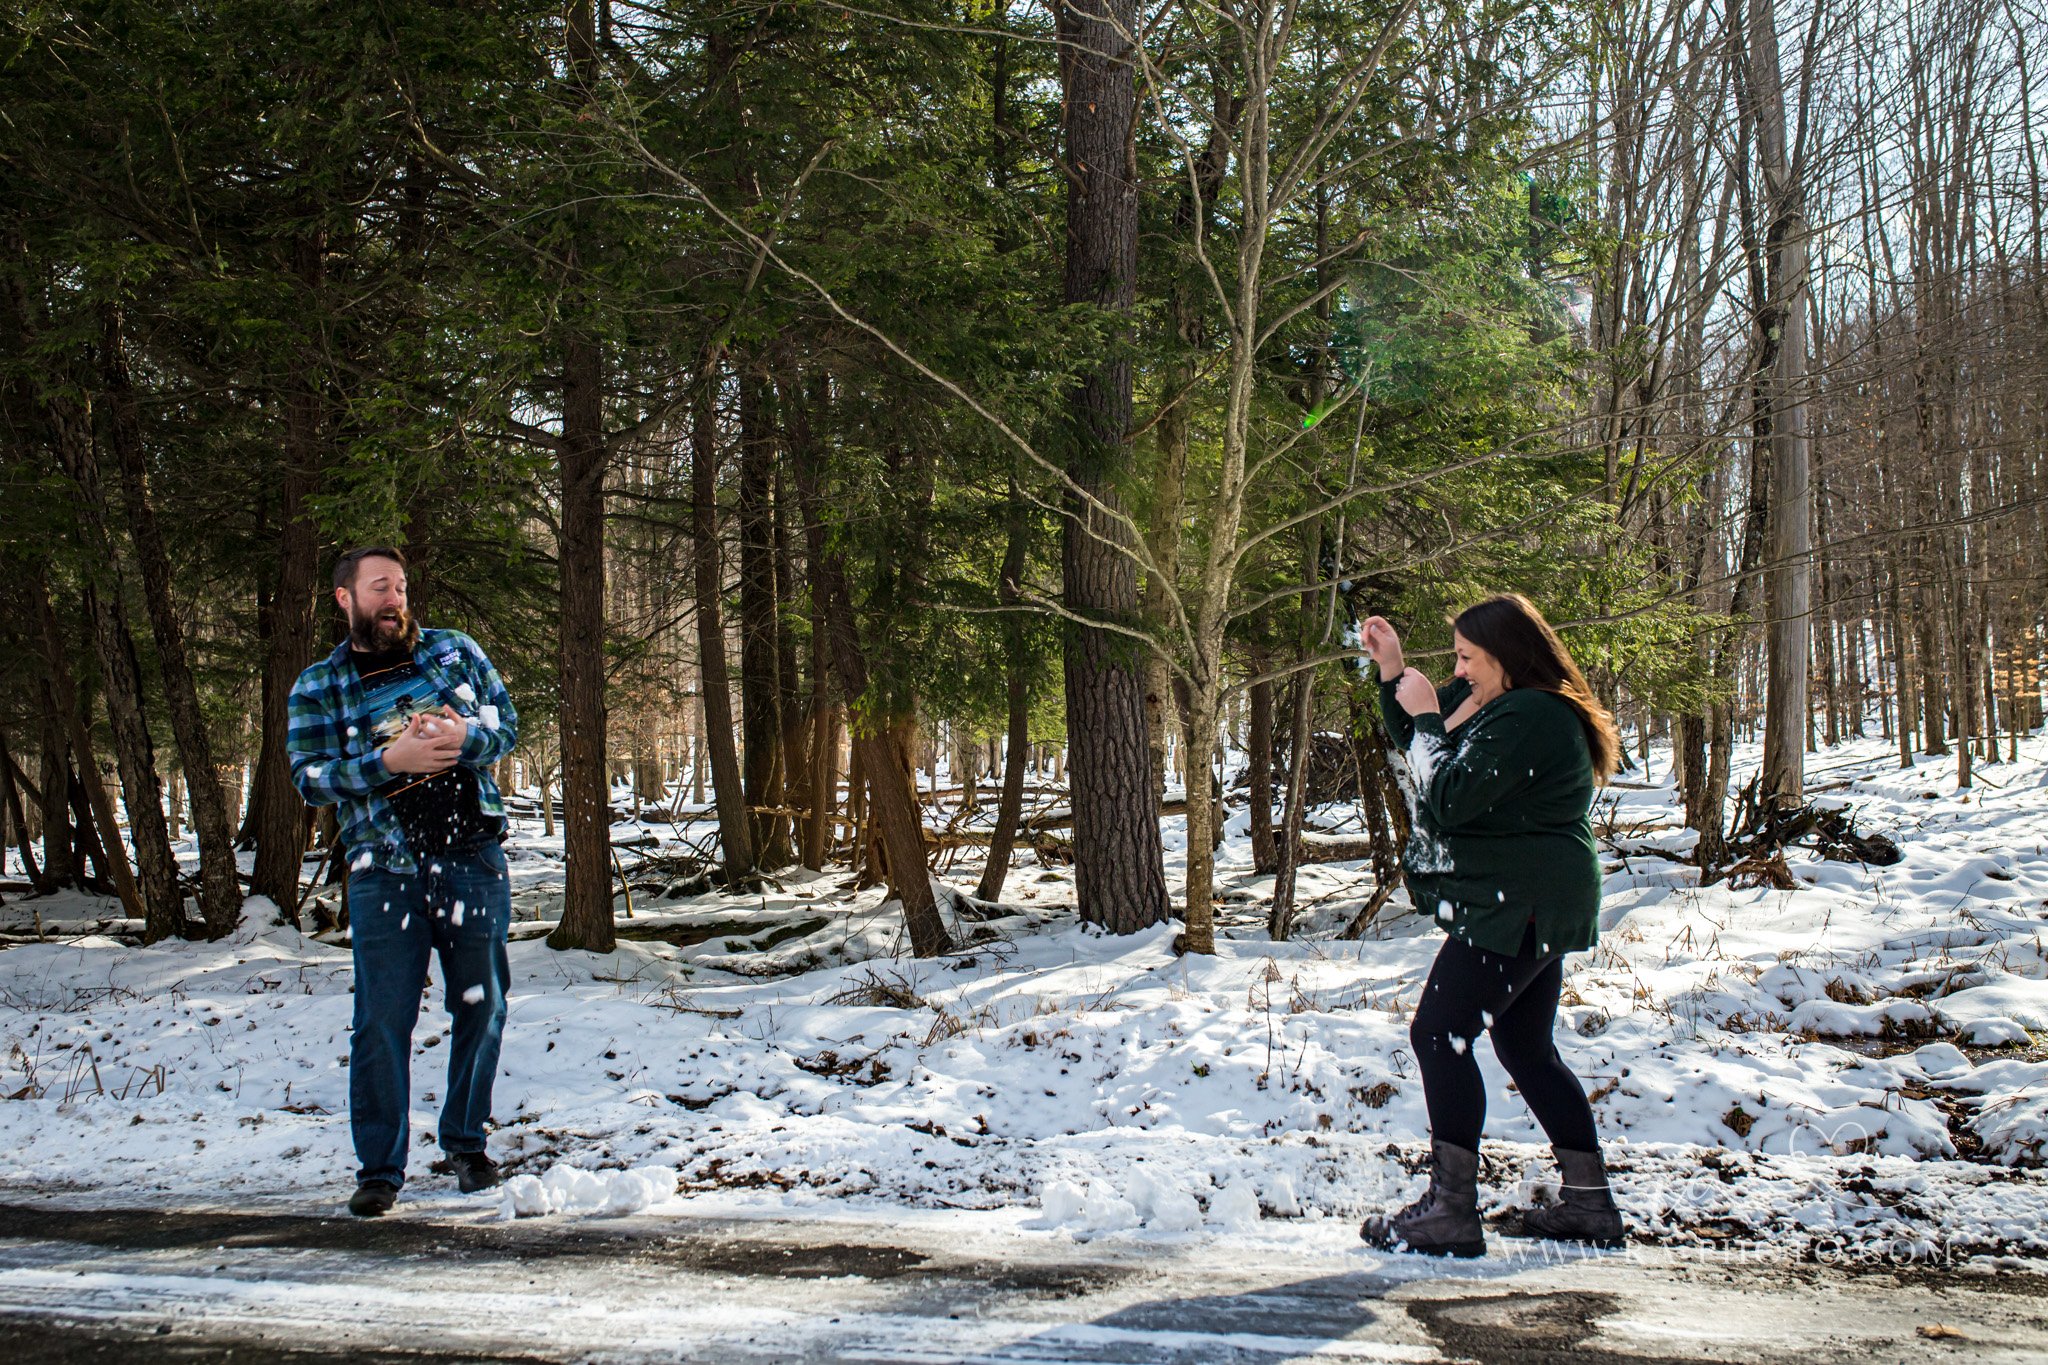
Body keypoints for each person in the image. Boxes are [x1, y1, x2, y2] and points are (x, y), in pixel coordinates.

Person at [1357, 593, 1624, 1256]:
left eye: (1468, 657)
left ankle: (1451, 1209)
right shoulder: (1507, 705)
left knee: (1440, 1032)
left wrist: (1423, 716)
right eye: (1456, 657)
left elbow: (1445, 795)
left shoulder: (1531, 714)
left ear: (1505, 657)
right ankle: (1589, 1204)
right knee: (1525, 1048)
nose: (1460, 670)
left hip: (1520, 900)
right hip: (1534, 893)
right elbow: (1429, 741)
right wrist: (1394, 674)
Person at [288, 546, 520, 1217]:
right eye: (380, 587)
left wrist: (460, 738)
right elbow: (309, 777)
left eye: (401, 585)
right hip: (382, 869)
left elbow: (505, 724)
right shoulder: (319, 686)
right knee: (381, 1020)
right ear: (346, 598)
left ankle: (466, 1144)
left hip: (471, 857)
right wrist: (390, 758)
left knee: (482, 1004)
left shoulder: (452, 652)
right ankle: (380, 1169)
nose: (395, 598)